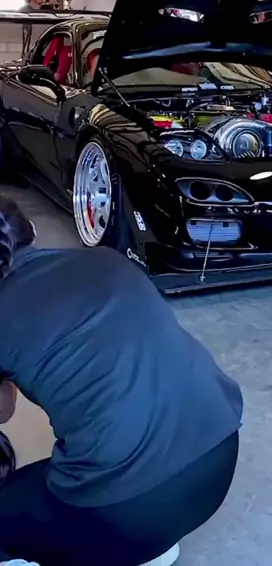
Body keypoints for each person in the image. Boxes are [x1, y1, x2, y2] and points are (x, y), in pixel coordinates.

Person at [0, 197, 242, 566]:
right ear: (31, 232)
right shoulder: (105, 260)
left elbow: (3, 412)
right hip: (219, 462)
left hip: (125, 515)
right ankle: (152, 543)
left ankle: (111, 549)